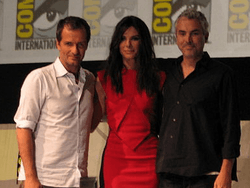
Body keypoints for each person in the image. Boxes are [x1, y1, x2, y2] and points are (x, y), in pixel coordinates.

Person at [156, 9, 241, 188]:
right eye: (182, 33)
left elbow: (231, 127)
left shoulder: (221, 74)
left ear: (205, 35)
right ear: (176, 37)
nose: (188, 40)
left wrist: (226, 170)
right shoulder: (168, 73)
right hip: (169, 172)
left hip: (207, 173)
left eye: (194, 33)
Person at [14, 16, 100, 188]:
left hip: (78, 180)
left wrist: (102, 99)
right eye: (69, 43)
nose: (75, 50)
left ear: (87, 46)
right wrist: (30, 178)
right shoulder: (39, 79)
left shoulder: (90, 80)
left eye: (80, 44)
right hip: (44, 180)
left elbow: (87, 127)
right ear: (57, 44)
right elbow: (23, 128)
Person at [95, 16, 166, 188]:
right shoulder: (103, 79)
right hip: (116, 160)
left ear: (143, 42)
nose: (128, 44)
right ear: (116, 44)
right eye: (123, 39)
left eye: (134, 38)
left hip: (149, 159)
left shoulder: (159, 78)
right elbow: (90, 122)